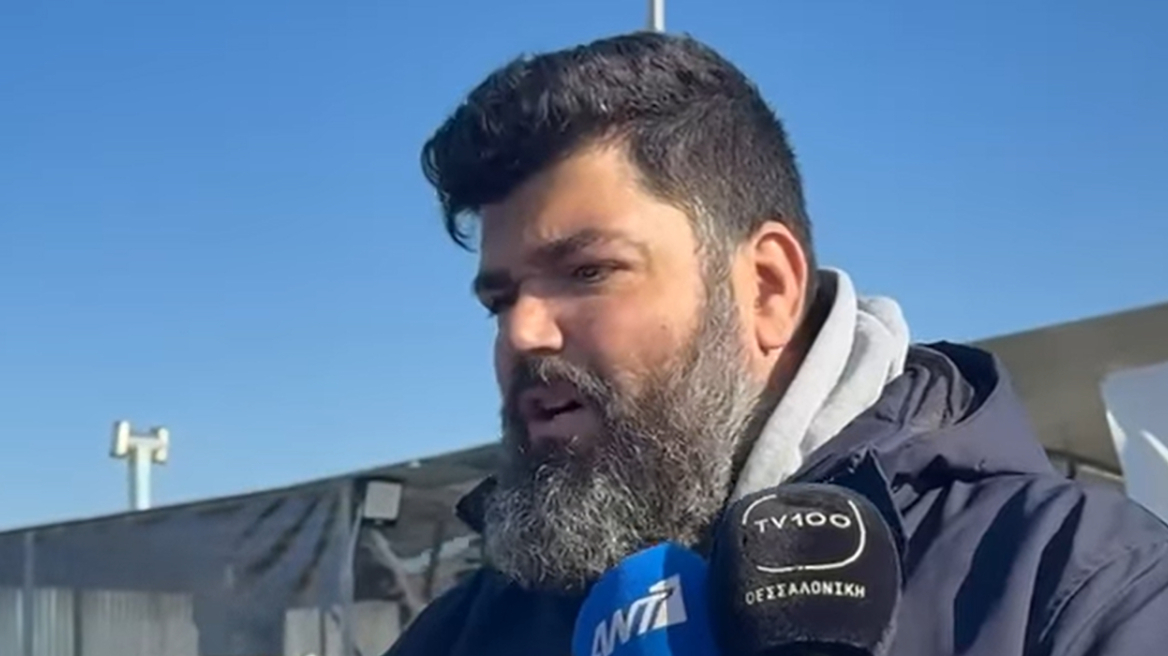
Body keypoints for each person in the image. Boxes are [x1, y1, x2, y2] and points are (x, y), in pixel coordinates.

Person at [385, 31, 1168, 656]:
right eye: (500, 300)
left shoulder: (1080, 586)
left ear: (766, 288)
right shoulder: (461, 633)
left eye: (588, 271)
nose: (523, 332)